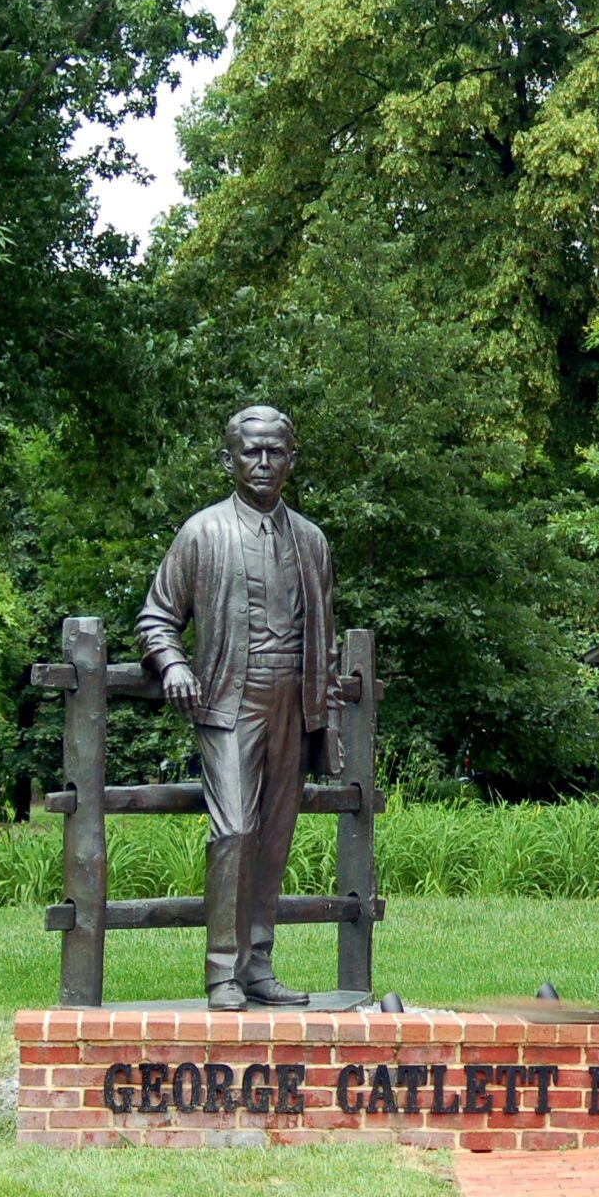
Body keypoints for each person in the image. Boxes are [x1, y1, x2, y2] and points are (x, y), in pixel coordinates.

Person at [137, 406, 339, 1011]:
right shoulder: (201, 533)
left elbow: (322, 636)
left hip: (292, 705)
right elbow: (155, 617)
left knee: (274, 839)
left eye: (275, 452)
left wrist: (323, 709)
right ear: (229, 460)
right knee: (236, 832)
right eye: (251, 452)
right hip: (228, 703)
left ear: (291, 460)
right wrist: (172, 663)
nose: (263, 463)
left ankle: (258, 966)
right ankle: (222, 971)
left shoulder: (311, 541)